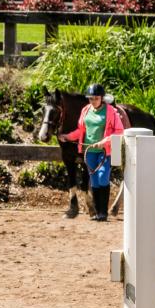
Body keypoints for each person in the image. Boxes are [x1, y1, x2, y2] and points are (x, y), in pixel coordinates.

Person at [59, 83, 124, 221]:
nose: (93, 101)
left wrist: (104, 141)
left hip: (104, 151)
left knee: (102, 178)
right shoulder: (85, 110)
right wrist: (68, 137)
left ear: (101, 98)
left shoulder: (111, 112)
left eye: (95, 98)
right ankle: (98, 212)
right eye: (90, 98)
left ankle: (103, 212)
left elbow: (119, 131)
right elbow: (80, 130)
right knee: (94, 181)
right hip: (89, 151)